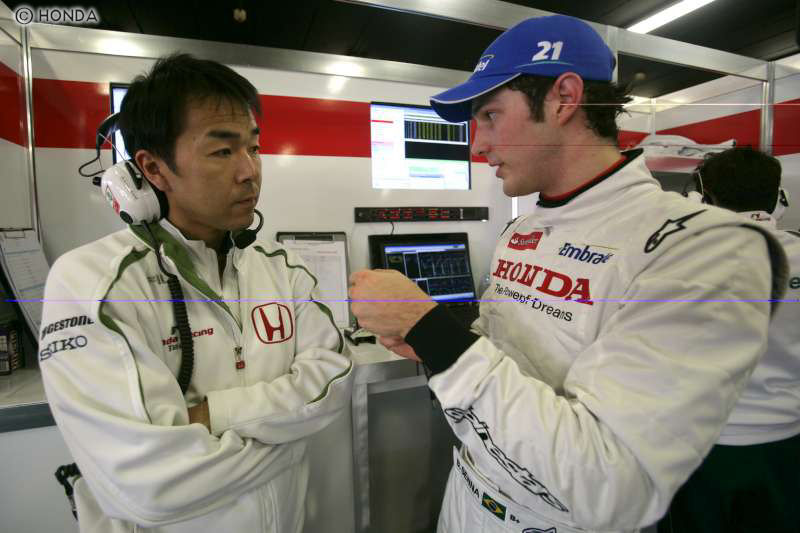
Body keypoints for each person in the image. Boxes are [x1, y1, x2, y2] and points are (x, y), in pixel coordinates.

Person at [349, 15, 788, 533]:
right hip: (467, 493)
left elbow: (611, 483)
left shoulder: (701, 246)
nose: (477, 146)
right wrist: (428, 343)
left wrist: (429, 328)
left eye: (490, 115)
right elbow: (498, 354)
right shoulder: (522, 231)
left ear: (564, 97)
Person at [39, 54, 353, 533]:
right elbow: (149, 486)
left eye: (254, 148)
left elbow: (335, 382)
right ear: (153, 168)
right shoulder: (92, 283)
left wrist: (212, 415)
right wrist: (290, 439)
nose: (249, 171)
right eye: (223, 151)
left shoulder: (283, 269)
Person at [658, 147, 800, 533]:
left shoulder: (675, 263)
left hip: (701, 445)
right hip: (785, 442)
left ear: (704, 198)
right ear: (777, 198)